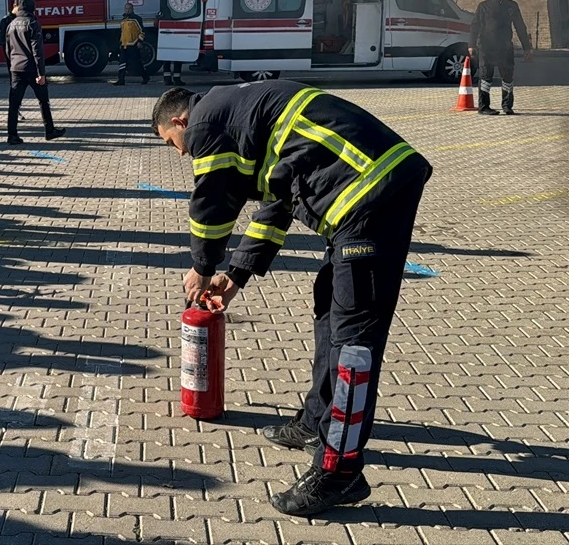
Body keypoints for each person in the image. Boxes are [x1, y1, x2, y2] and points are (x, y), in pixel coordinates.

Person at [151, 80, 431, 516]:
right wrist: (236, 275)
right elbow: (278, 203)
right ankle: (315, 419)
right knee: (329, 304)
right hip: (366, 193)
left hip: (372, 193)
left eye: (174, 143)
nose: (183, 154)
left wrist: (203, 268)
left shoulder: (207, 122)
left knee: (354, 342)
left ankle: (340, 472)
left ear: (180, 120)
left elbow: (211, 204)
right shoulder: (241, 115)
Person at [4, 0, 65, 145]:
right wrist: (41, 73)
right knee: (43, 101)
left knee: (14, 103)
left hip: (16, 68)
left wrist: (12, 66)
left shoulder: (11, 25)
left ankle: (12, 135)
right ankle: (49, 130)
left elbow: (7, 49)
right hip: (31, 68)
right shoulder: (33, 23)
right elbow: (37, 51)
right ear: (33, 8)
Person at [469, 0, 532, 116]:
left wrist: (526, 47)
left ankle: (507, 106)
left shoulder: (512, 6)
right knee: (485, 77)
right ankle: (484, 107)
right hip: (486, 47)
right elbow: (475, 26)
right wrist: (471, 45)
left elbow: (520, 26)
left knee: (507, 77)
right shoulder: (483, 6)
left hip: (505, 48)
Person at [113, 2, 148, 85]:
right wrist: (120, 42)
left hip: (134, 45)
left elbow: (142, 31)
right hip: (124, 45)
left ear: (132, 9)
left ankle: (145, 76)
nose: (127, 10)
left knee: (136, 63)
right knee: (122, 62)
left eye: (129, 8)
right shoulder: (123, 20)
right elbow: (122, 32)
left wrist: (140, 41)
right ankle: (121, 80)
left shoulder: (136, 19)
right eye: (126, 8)